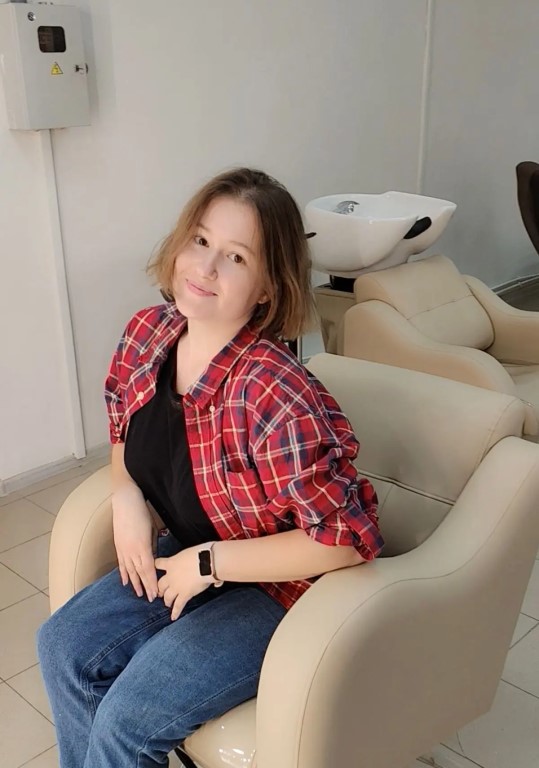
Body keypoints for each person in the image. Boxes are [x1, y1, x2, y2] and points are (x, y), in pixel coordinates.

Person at [37, 167, 383, 767]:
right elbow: (124, 428)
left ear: (267, 289)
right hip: (195, 546)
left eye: (236, 257)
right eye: (200, 240)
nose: (206, 266)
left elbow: (347, 541)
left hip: (283, 588)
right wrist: (126, 498)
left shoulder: (272, 392)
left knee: (128, 717)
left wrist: (208, 563)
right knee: (63, 645)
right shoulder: (149, 334)